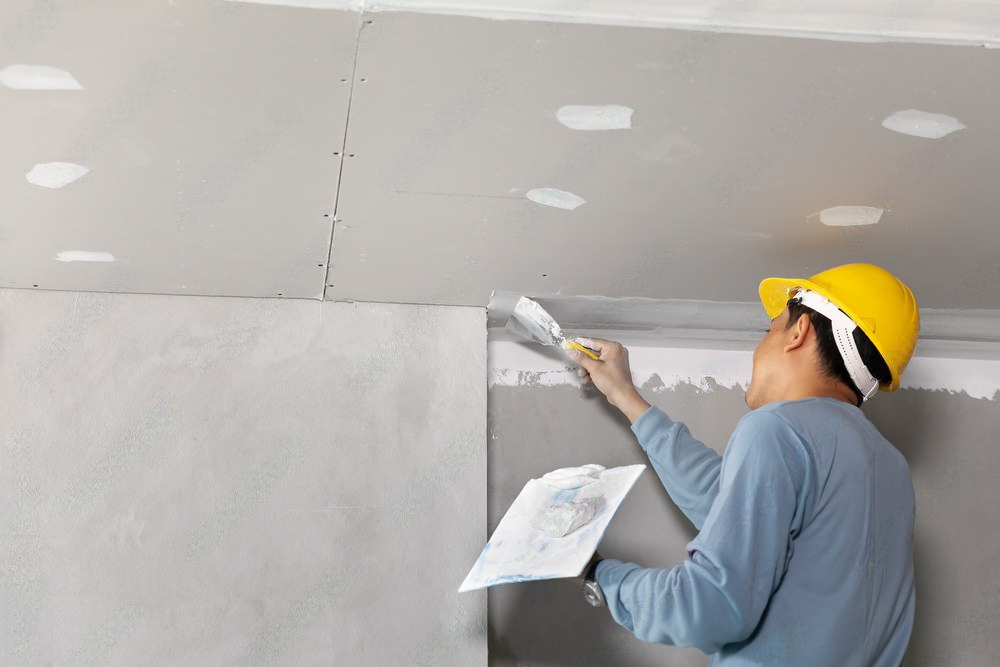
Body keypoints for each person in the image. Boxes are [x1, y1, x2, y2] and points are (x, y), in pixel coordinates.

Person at [568, 263, 920, 666]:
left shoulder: (777, 429)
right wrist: (625, 396)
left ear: (798, 332)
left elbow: (706, 608)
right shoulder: (890, 469)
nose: (758, 349)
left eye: (768, 330)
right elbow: (725, 500)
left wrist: (599, 575)